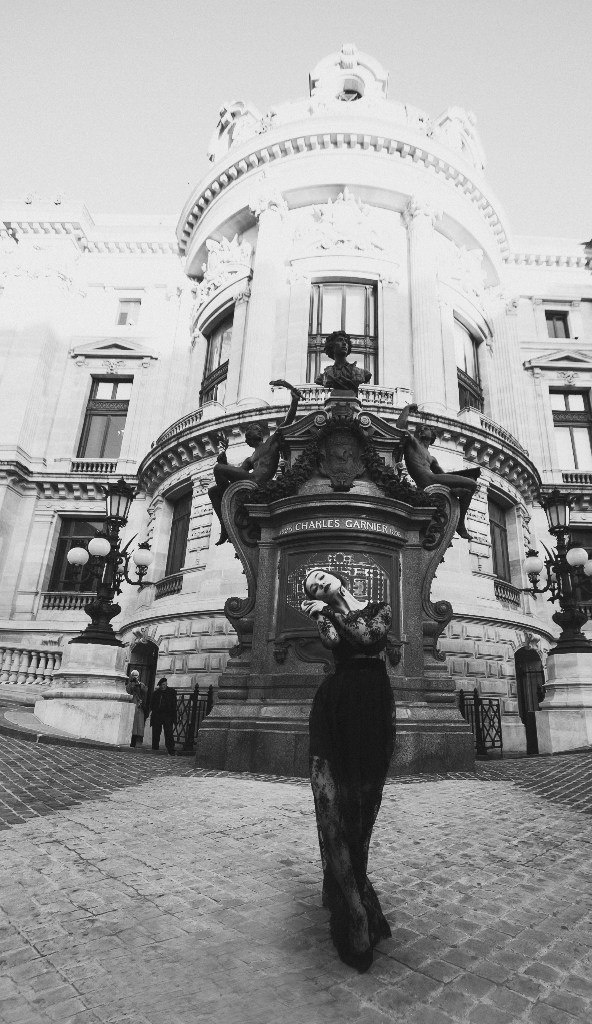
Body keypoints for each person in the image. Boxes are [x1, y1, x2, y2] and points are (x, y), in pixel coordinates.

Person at [301, 567, 395, 972]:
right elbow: (334, 641)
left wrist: (333, 609)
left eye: (321, 577)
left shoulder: (379, 608)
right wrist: (322, 616)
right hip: (335, 706)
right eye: (313, 586)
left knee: (361, 807)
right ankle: (355, 912)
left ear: (337, 578)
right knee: (331, 808)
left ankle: (351, 885)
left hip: (371, 709)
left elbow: (368, 636)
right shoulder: (326, 617)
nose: (319, 584)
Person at [208, 379, 302, 545]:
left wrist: (294, 401)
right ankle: (225, 523)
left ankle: (228, 502)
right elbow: (237, 473)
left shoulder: (271, 443)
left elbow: (287, 421)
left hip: (258, 481)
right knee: (213, 491)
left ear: (259, 434)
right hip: (250, 480)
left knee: (218, 469)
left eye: (255, 430)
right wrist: (225, 462)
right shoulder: (250, 458)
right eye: (250, 432)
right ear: (248, 440)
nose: (254, 432)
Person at [396, 403, 481, 539]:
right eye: (422, 428)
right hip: (427, 480)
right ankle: (460, 524)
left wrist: (463, 478)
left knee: (471, 483)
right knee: (471, 484)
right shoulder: (413, 443)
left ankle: (455, 497)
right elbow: (399, 429)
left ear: (432, 436)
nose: (422, 429)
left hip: (433, 479)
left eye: (426, 428)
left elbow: (443, 476)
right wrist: (407, 409)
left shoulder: (432, 458)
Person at [314, 331, 372, 395]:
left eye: (346, 341)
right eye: (340, 340)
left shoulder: (361, 372)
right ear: (332, 346)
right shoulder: (325, 375)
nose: (344, 343)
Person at [149, 677, 177, 755]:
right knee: (156, 732)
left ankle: (171, 749)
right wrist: (155, 710)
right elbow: (152, 704)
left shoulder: (171, 692)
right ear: (160, 685)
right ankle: (155, 748)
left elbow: (174, 704)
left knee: (168, 732)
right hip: (157, 715)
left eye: (164, 684)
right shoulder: (156, 693)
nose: (163, 686)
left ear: (166, 684)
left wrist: (172, 715)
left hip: (167, 715)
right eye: (162, 685)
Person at [125, 670, 147, 748]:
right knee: (131, 725)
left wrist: (138, 684)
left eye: (136, 676)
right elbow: (128, 691)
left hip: (139, 707)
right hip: (132, 706)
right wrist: (132, 684)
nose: (135, 677)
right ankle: (131, 742)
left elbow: (144, 691)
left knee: (138, 726)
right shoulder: (129, 685)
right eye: (133, 676)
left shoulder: (141, 684)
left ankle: (137, 741)